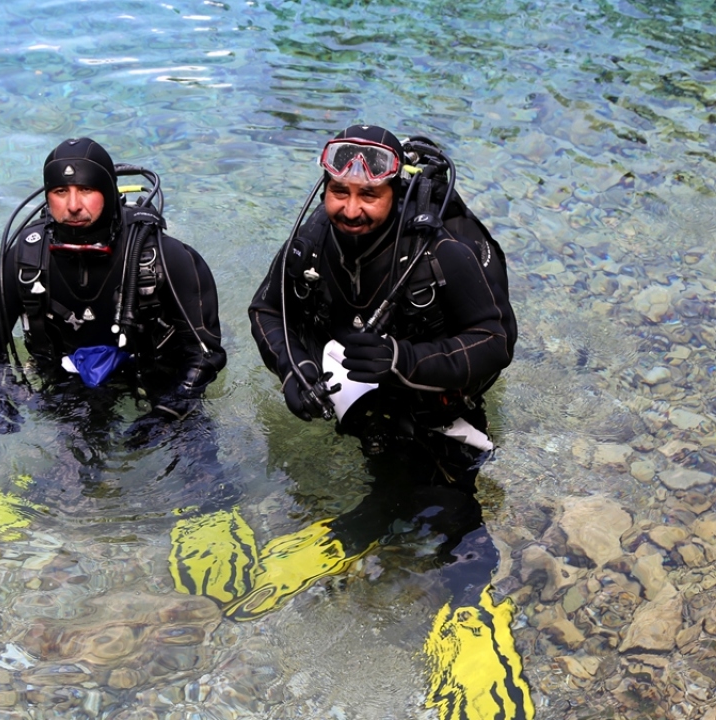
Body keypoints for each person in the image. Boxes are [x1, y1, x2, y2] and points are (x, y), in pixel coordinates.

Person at [171, 125, 531, 719]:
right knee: (387, 460)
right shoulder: (312, 241)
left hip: (436, 399)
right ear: (325, 187)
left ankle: (470, 613)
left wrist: (404, 360)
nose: (351, 209)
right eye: (339, 192)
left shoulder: (441, 251)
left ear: (393, 192)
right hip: (360, 398)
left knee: (448, 499)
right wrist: (294, 372)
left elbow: (495, 341)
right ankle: (361, 524)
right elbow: (269, 310)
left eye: (369, 197)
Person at [0, 137, 229, 587]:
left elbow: (205, 350)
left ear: (110, 192)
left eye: (86, 191)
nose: (73, 206)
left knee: (197, 450)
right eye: (60, 193)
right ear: (46, 197)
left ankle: (211, 515)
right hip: (69, 379)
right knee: (72, 460)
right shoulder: (27, 255)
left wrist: (169, 411)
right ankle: (10, 511)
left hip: (155, 375)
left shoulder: (164, 257)